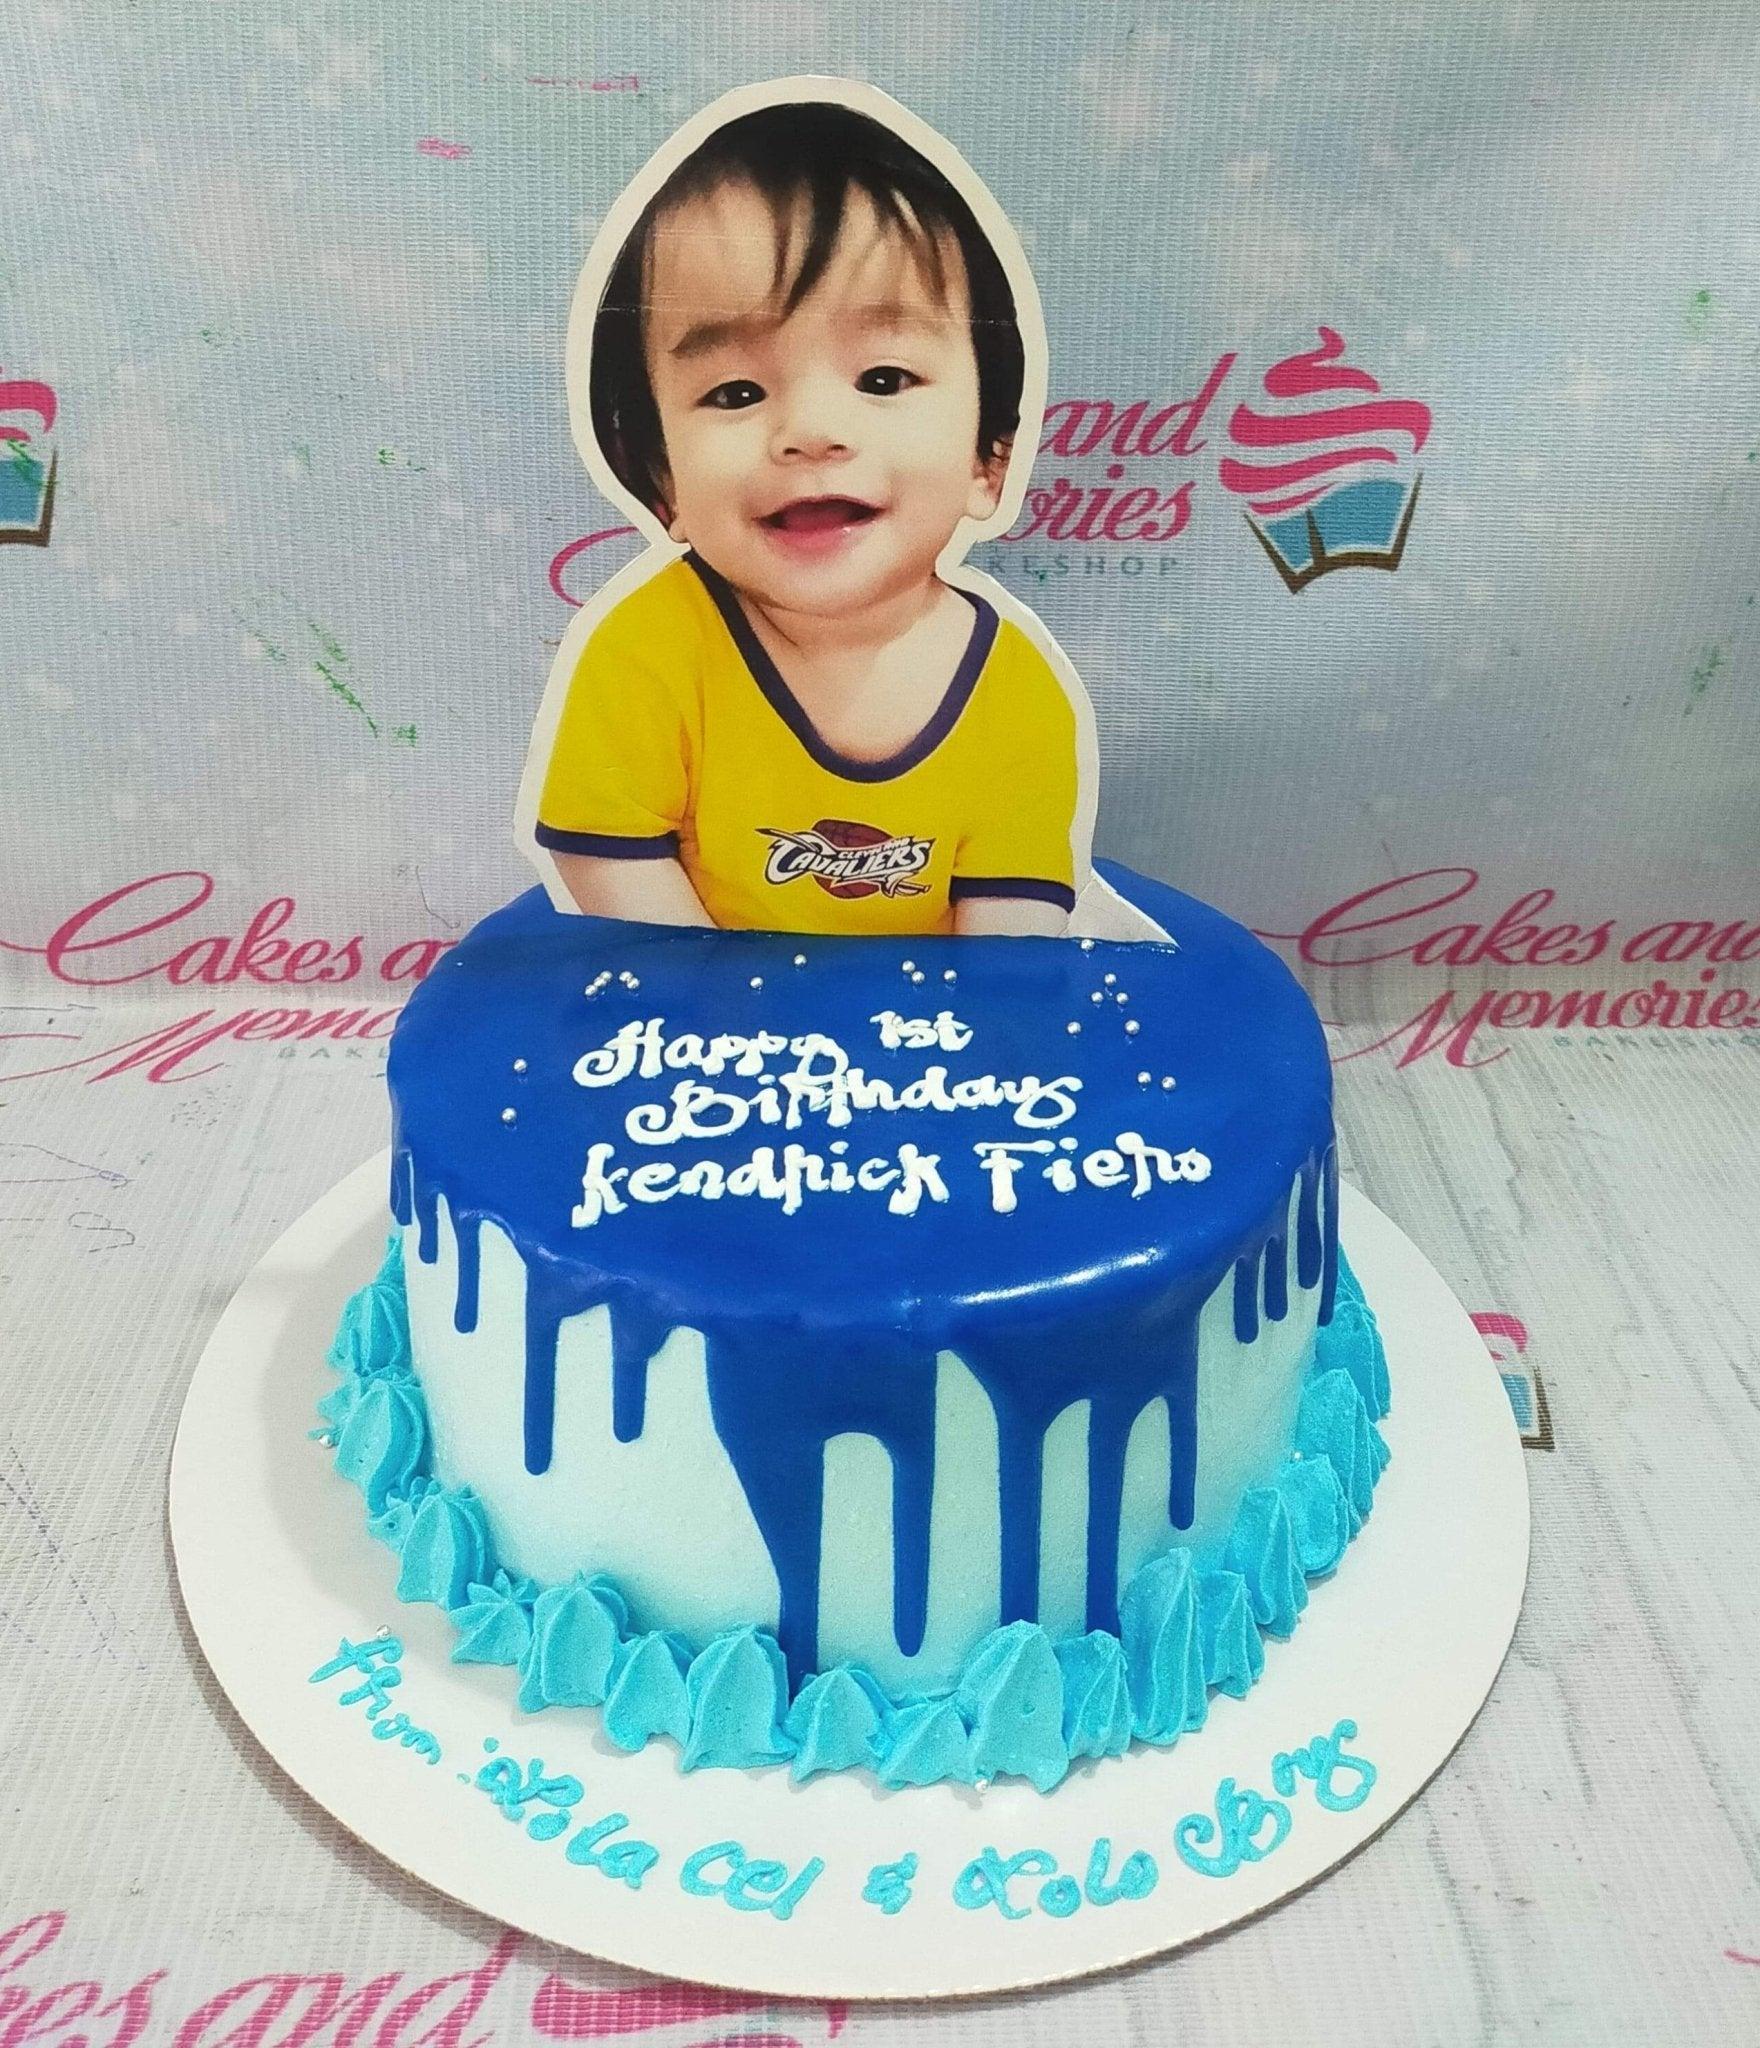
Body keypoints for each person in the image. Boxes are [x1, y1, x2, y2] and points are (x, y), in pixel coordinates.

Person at [530, 99, 1090, 937]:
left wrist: (964, 1011)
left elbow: (1010, 939)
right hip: (709, 1000)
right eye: (736, 392)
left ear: (989, 461)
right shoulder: (649, 651)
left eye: (884, 379)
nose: (812, 432)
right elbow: (607, 854)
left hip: (925, 1016)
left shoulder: (1018, 696)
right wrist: (710, 996)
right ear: (664, 482)